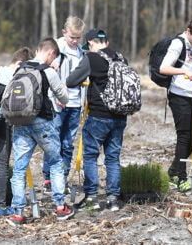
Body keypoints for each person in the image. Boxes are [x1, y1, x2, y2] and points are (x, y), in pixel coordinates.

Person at [7, 38, 75, 224]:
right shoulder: (48, 71)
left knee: (19, 168)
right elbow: (64, 98)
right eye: (54, 57)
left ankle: (18, 213)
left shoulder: (20, 68)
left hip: (20, 122)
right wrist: (57, 77)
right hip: (41, 122)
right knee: (56, 162)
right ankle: (60, 207)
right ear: (51, 53)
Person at [65, 28, 129, 211]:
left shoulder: (91, 58)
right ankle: (113, 199)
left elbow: (71, 81)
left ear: (91, 43)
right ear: (106, 42)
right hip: (120, 116)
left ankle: (92, 197)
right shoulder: (121, 58)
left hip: (99, 115)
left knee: (91, 156)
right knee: (113, 158)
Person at [157, 15, 192, 191]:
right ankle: (181, 177)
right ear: (189, 31)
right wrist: (183, 72)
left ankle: (173, 170)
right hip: (178, 94)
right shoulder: (178, 44)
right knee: (184, 136)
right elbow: (163, 68)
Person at [0, 46, 32, 217]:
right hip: (4, 125)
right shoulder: (15, 78)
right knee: (3, 164)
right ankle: (1, 205)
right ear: (20, 63)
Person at [43, 16, 87, 194]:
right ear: (64, 33)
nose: (75, 41)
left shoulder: (82, 52)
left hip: (75, 103)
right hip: (57, 103)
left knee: (68, 144)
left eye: (78, 38)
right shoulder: (56, 49)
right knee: (54, 141)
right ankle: (48, 178)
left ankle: (62, 178)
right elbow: (45, 71)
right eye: (72, 37)